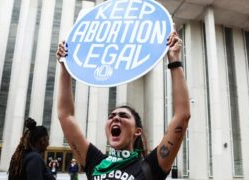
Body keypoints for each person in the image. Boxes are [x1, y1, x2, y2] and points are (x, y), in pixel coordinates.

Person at [56, 28, 190, 179]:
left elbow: (182, 116)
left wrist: (174, 59)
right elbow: (65, 116)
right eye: (111, 115)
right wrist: (64, 65)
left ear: (137, 131)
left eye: (123, 116)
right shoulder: (95, 163)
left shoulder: (151, 167)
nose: (115, 118)